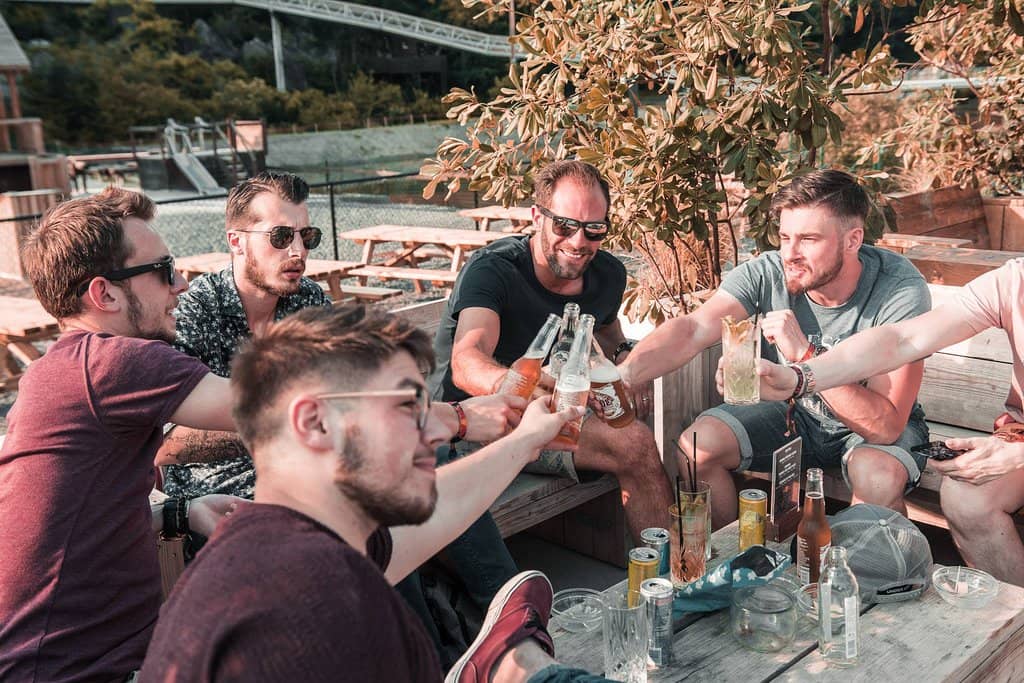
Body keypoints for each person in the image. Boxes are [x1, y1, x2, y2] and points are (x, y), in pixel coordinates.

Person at [158, 170, 522, 664]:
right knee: (377, 502)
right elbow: (167, 442)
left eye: (306, 236)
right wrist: (285, 425)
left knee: (419, 461)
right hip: (225, 491)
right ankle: (443, 655)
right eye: (281, 237)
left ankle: (509, 620)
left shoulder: (307, 300)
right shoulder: (196, 312)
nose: (298, 252)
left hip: (314, 459)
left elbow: (353, 395)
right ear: (236, 241)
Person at [140, 304, 610, 683]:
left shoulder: (284, 549)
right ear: (315, 422)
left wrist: (525, 441)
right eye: (409, 405)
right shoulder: (311, 615)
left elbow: (425, 520)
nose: (435, 432)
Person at [0, 188, 242, 681]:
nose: (181, 283)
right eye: (163, 269)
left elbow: (67, 525)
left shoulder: (58, 371)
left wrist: (177, 511)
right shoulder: (115, 361)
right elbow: (283, 409)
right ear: (104, 294)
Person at [618, 169, 931, 529]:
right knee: (696, 448)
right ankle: (734, 567)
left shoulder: (899, 289)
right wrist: (623, 377)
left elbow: (886, 426)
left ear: (852, 240)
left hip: (868, 424)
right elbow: (691, 329)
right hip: (793, 415)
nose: (790, 254)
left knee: (876, 475)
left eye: (809, 239)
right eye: (784, 237)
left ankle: (870, 575)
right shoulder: (767, 272)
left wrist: (804, 358)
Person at [431, 159, 674, 540]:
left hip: (554, 415)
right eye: (565, 226)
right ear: (536, 216)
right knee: (636, 443)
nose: (579, 242)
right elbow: (466, 360)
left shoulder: (607, 273)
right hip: (477, 423)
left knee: (638, 429)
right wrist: (523, 386)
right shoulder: (494, 270)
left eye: (594, 230)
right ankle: (669, 580)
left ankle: (664, 574)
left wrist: (624, 353)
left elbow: (606, 326)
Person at [752, 256, 1024, 586]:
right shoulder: (1013, 281)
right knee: (965, 494)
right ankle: (1014, 625)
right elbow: (901, 340)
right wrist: (804, 376)